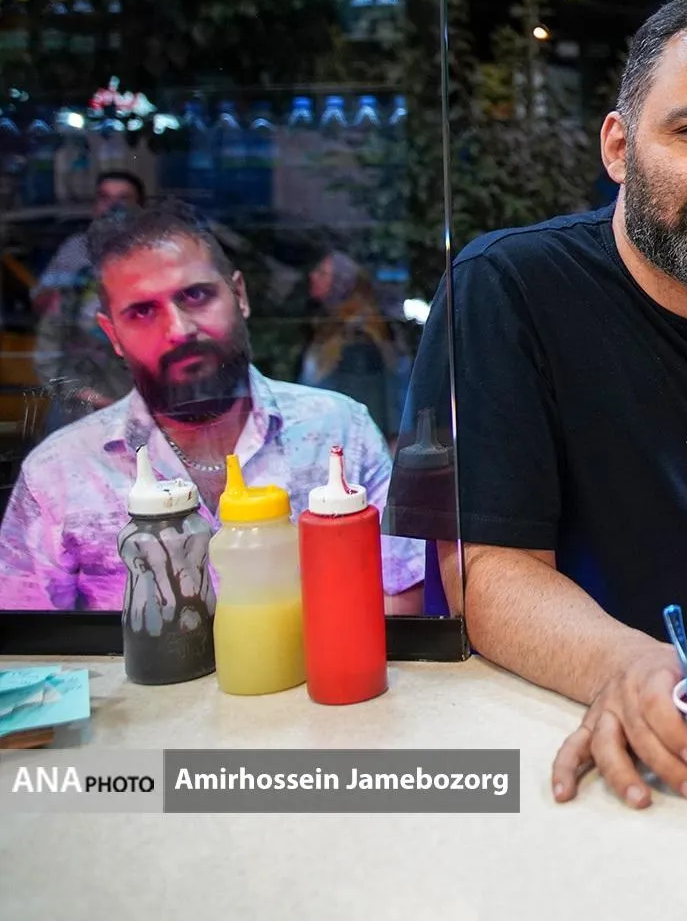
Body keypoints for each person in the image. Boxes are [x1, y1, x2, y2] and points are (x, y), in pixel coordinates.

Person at [398, 0, 687, 811]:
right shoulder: (505, 289)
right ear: (618, 146)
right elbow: (486, 573)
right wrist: (636, 667)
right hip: (577, 727)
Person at [0, 199, 422, 612]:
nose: (179, 329)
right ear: (113, 336)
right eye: (142, 312)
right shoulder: (59, 472)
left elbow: (400, 596)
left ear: (239, 295)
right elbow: (28, 638)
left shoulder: (339, 432)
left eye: (196, 295)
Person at [32, 169, 145, 430]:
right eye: (104, 198)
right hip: (78, 392)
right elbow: (42, 307)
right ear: (95, 206)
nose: (113, 206)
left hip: (132, 392)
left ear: (140, 207)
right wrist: (68, 287)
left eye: (123, 199)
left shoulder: (155, 253)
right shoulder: (75, 250)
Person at [299, 250, 398, 439]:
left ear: (340, 284)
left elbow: (362, 414)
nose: (312, 276)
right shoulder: (328, 327)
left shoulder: (357, 337)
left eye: (322, 273)